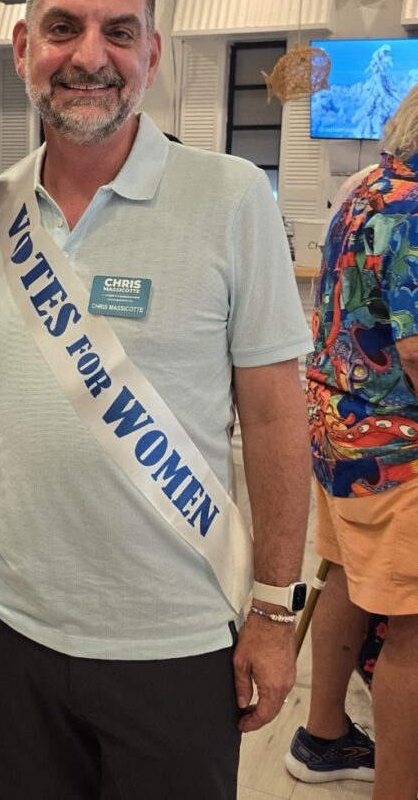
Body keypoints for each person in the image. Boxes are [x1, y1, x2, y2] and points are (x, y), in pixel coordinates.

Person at [0, 0, 313, 800]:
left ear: (151, 54)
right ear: (23, 49)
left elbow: (275, 418)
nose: (91, 55)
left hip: (174, 640)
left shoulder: (232, 197)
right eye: (64, 27)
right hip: (9, 629)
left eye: (119, 32)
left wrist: (273, 610)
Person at [285, 85, 418, 799]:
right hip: (396, 450)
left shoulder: (364, 187)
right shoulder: (415, 206)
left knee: (345, 580)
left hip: (338, 431)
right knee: (413, 631)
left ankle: (324, 733)